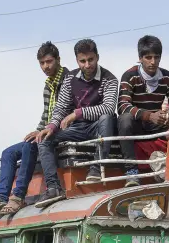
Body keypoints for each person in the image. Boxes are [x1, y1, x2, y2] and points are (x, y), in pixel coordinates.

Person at [0, 42, 68, 224]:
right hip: (46, 130)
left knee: (30, 146)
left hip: (61, 132)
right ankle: (1, 199)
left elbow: (64, 110)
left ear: (58, 60)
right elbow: (46, 114)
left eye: (49, 62)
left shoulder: (67, 80)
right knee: (8, 153)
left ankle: (18, 196)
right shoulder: (48, 84)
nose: (45, 67)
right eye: (41, 63)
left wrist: (43, 131)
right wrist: (39, 129)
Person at [35, 39, 118, 204]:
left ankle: (96, 168)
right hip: (77, 129)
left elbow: (108, 108)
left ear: (97, 57)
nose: (87, 65)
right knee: (44, 139)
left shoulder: (110, 79)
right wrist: (52, 126)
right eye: (83, 61)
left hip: (99, 128)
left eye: (91, 60)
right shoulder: (70, 78)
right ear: (77, 61)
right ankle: (53, 187)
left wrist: (78, 113)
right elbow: (61, 107)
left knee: (107, 118)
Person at [118, 35, 169, 187]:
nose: (153, 62)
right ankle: (131, 172)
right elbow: (123, 105)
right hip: (137, 123)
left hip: (157, 123)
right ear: (140, 58)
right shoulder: (130, 76)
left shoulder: (167, 77)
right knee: (124, 119)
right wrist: (148, 116)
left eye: (157, 57)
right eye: (148, 57)